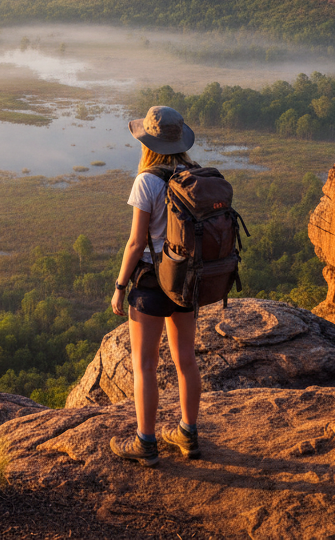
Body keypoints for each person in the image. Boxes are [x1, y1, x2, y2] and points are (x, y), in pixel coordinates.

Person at [109, 105, 203, 466]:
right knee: (185, 361)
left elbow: (136, 242)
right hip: (186, 280)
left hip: (151, 281)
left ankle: (146, 443)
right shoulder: (192, 174)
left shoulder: (146, 180)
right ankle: (188, 434)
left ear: (147, 142)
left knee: (145, 365)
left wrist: (120, 285)